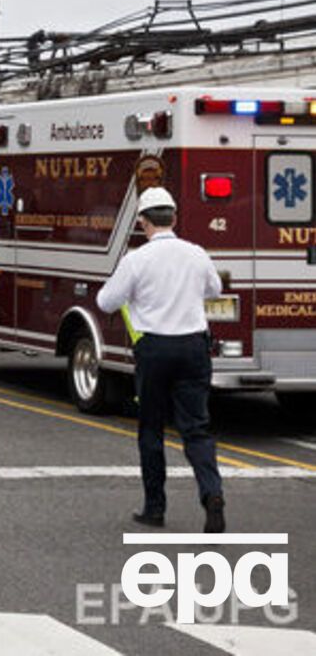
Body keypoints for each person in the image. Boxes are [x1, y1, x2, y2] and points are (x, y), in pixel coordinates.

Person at [96, 186, 226, 533]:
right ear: (174, 218)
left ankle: (155, 508)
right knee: (196, 429)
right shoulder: (196, 253)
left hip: (154, 350)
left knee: (151, 429)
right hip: (194, 348)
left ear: (143, 222)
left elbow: (106, 302)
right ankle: (212, 493)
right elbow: (215, 290)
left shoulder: (136, 260)